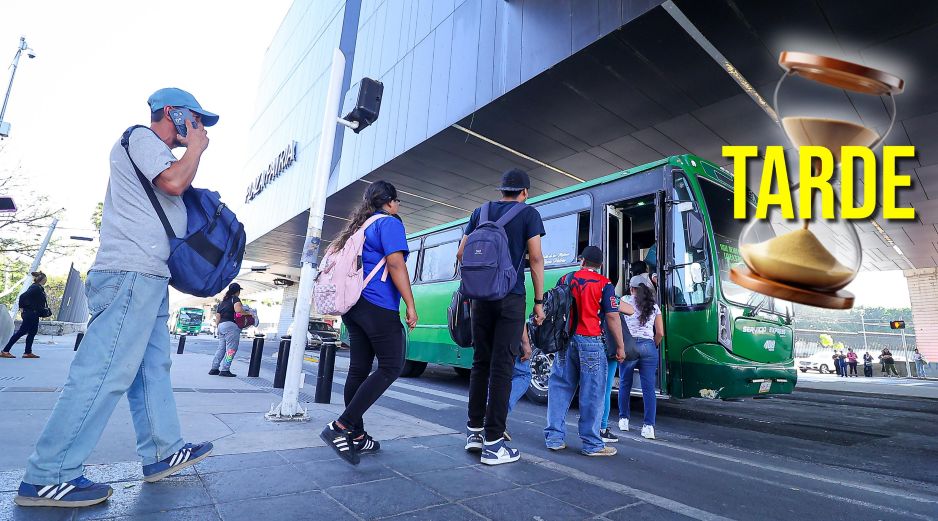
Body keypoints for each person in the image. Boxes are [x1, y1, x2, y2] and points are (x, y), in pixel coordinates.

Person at [14, 88, 217, 508]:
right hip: (130, 274)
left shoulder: (156, 150)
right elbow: (176, 183)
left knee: (151, 370)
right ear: (172, 113)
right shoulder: (142, 137)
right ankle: (49, 475)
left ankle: (163, 451)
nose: (196, 129)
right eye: (194, 120)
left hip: (149, 277)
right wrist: (196, 149)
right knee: (103, 372)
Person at [319, 181, 418, 465]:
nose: (397, 207)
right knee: (391, 366)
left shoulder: (356, 229)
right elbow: (396, 265)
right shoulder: (388, 224)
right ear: (390, 202)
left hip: (353, 306)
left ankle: (358, 436)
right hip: (377, 305)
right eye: (397, 202)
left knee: (359, 369)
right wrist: (410, 305)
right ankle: (341, 426)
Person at [458, 168, 545, 466]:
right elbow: (535, 258)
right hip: (510, 297)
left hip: (480, 299)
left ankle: (474, 432)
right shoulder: (528, 213)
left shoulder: (480, 212)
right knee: (502, 368)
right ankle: (494, 443)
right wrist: (538, 301)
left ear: (502, 189)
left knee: (480, 363)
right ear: (524, 192)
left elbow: (461, 253)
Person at [544, 246, 624, 456]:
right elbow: (613, 317)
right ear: (600, 265)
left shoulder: (565, 279)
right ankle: (592, 444)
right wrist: (621, 346)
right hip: (591, 342)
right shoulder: (605, 284)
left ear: (581, 261)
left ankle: (554, 438)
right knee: (593, 392)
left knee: (560, 387)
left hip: (565, 340)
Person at [617, 274, 663, 440]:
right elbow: (660, 333)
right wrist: (653, 345)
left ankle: (623, 419)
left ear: (631, 289)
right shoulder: (654, 306)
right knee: (648, 388)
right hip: (648, 346)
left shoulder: (625, 300)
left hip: (629, 346)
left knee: (625, 383)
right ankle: (649, 426)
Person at [1, 271, 48, 359]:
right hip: (30, 313)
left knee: (32, 332)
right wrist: (22, 307)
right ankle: (5, 351)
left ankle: (27, 352)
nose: (46, 280)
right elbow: (23, 296)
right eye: (45, 279)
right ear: (42, 279)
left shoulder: (38, 288)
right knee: (22, 332)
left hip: (34, 313)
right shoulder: (35, 288)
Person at [504, 323, 533, 442]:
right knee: (523, 375)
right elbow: (518, 314)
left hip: (488, 336)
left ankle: (481, 420)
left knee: (494, 375)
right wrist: (526, 343)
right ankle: (497, 414)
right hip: (509, 335)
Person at [209, 283, 245, 377]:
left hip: (221, 326)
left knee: (221, 348)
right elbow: (238, 310)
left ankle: (214, 368)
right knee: (231, 350)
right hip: (230, 326)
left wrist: (219, 327)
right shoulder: (235, 299)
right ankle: (225, 369)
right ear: (238, 291)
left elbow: (217, 317)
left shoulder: (222, 302)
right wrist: (249, 313)